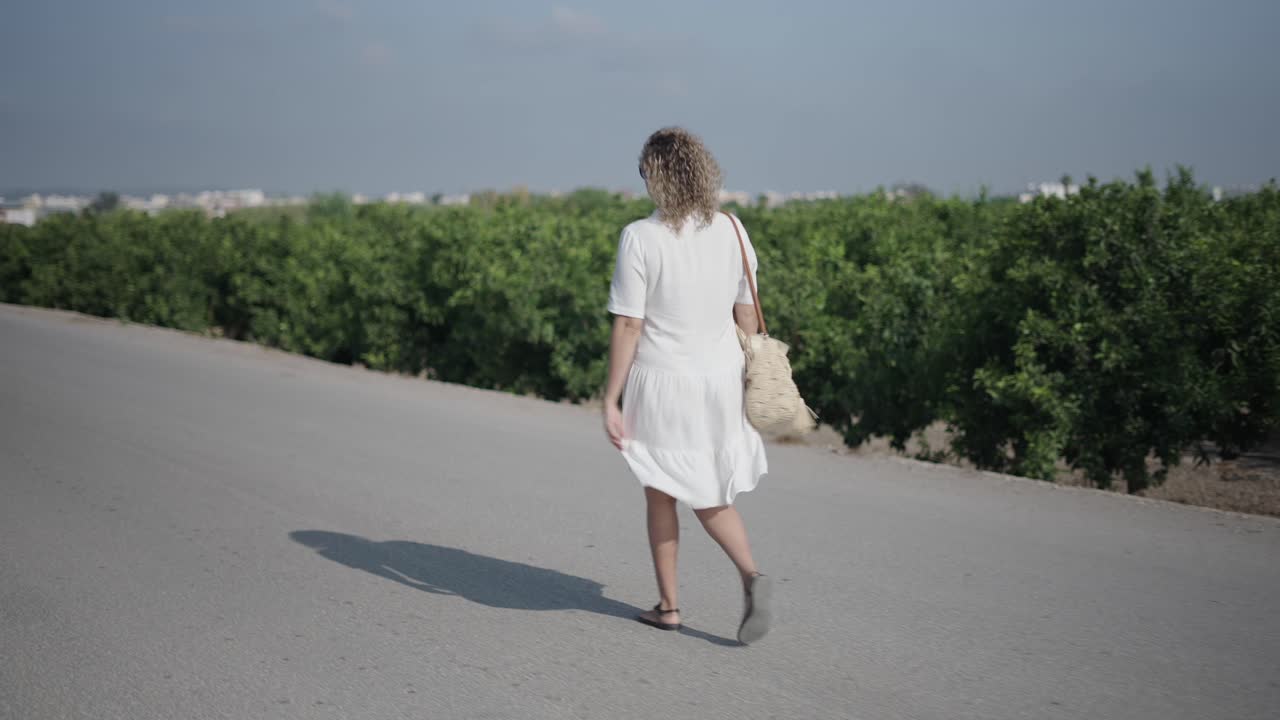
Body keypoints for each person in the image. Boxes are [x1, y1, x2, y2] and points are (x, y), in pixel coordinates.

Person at [602, 127, 772, 645]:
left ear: (654, 179)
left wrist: (611, 396)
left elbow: (629, 324)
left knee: (662, 492)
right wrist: (752, 375)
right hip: (720, 377)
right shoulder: (733, 230)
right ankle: (747, 575)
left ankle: (672, 605)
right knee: (709, 488)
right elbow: (747, 311)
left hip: (664, 380)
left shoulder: (640, 236)